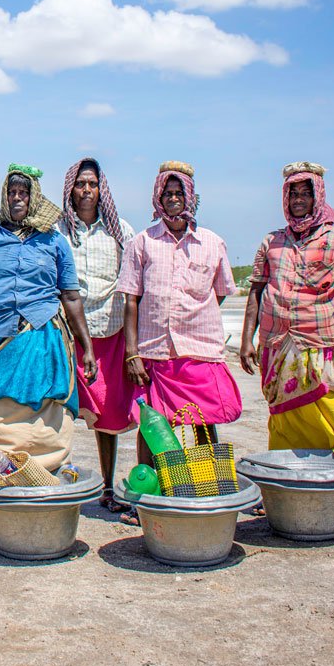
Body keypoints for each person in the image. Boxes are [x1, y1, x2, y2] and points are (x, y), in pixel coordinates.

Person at [0, 164, 98, 537]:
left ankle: (43, 493)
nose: (17, 198)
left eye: (24, 193)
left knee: (46, 422)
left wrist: (86, 347)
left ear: (34, 198)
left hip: (43, 340)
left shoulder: (54, 241)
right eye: (12, 192)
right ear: (3, 195)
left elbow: (71, 296)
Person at [239, 162, 334, 463]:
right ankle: (292, 473)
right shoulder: (272, 242)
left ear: (318, 198)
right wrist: (248, 340)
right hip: (279, 345)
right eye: (292, 194)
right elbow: (256, 291)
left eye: (305, 194)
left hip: (326, 343)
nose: (298, 200)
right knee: (286, 415)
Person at [119, 162, 241, 476]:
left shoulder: (212, 242)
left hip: (200, 350)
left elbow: (221, 292)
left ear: (190, 198)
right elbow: (130, 300)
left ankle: (206, 486)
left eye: (179, 193)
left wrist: (193, 314)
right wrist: (132, 353)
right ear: (158, 198)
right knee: (151, 425)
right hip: (154, 350)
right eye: (167, 193)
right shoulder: (142, 242)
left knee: (203, 422)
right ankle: (149, 493)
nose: (173, 199)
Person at [57, 158, 138, 514]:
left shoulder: (121, 231)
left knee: (106, 413)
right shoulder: (56, 231)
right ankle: (57, 484)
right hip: (66, 331)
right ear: (70, 189)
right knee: (58, 411)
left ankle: (107, 488)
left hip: (110, 328)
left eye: (92, 184)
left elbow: (134, 284)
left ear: (100, 189)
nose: (86, 191)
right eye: (80, 184)